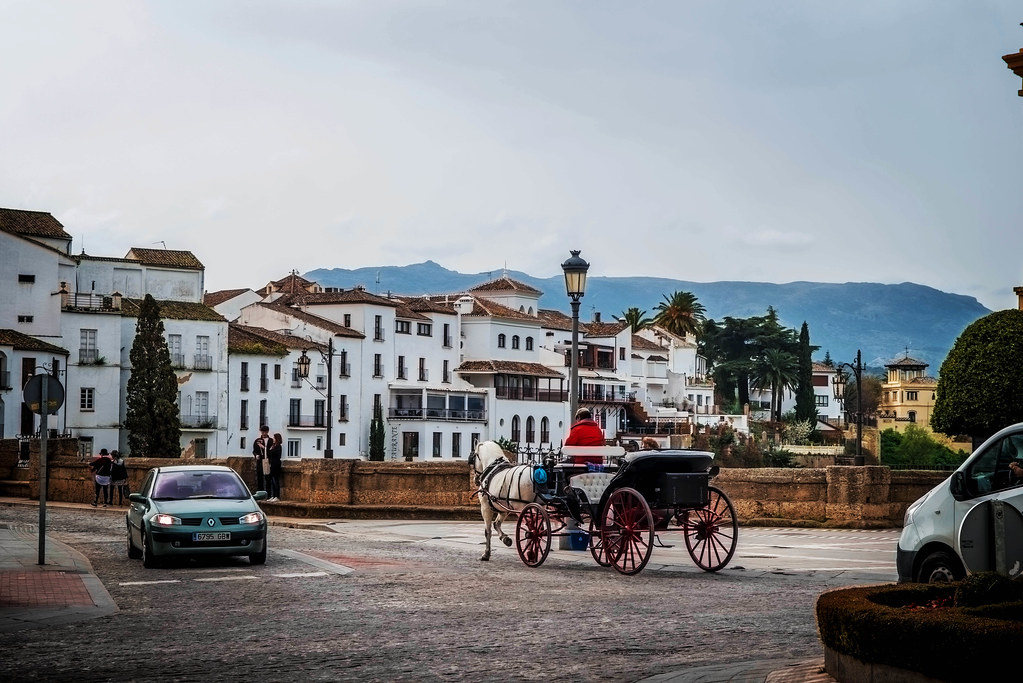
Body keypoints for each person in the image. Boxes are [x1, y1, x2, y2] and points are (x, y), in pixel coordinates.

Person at [252, 425, 270, 492]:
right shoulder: (257, 441)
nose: (264, 433)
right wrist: (256, 455)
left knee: (268, 478)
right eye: (262, 432)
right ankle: (260, 492)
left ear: (267, 432)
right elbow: (254, 451)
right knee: (260, 477)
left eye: (265, 432)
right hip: (260, 461)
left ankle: (268, 494)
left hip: (268, 461)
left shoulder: (270, 440)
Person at [267, 432, 283, 501]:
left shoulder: (278, 446)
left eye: (274, 438)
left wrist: (271, 450)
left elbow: (274, 453)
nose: (273, 439)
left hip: (276, 465)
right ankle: (273, 496)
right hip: (272, 465)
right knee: (272, 481)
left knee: (275, 480)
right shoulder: (274, 446)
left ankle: (277, 496)